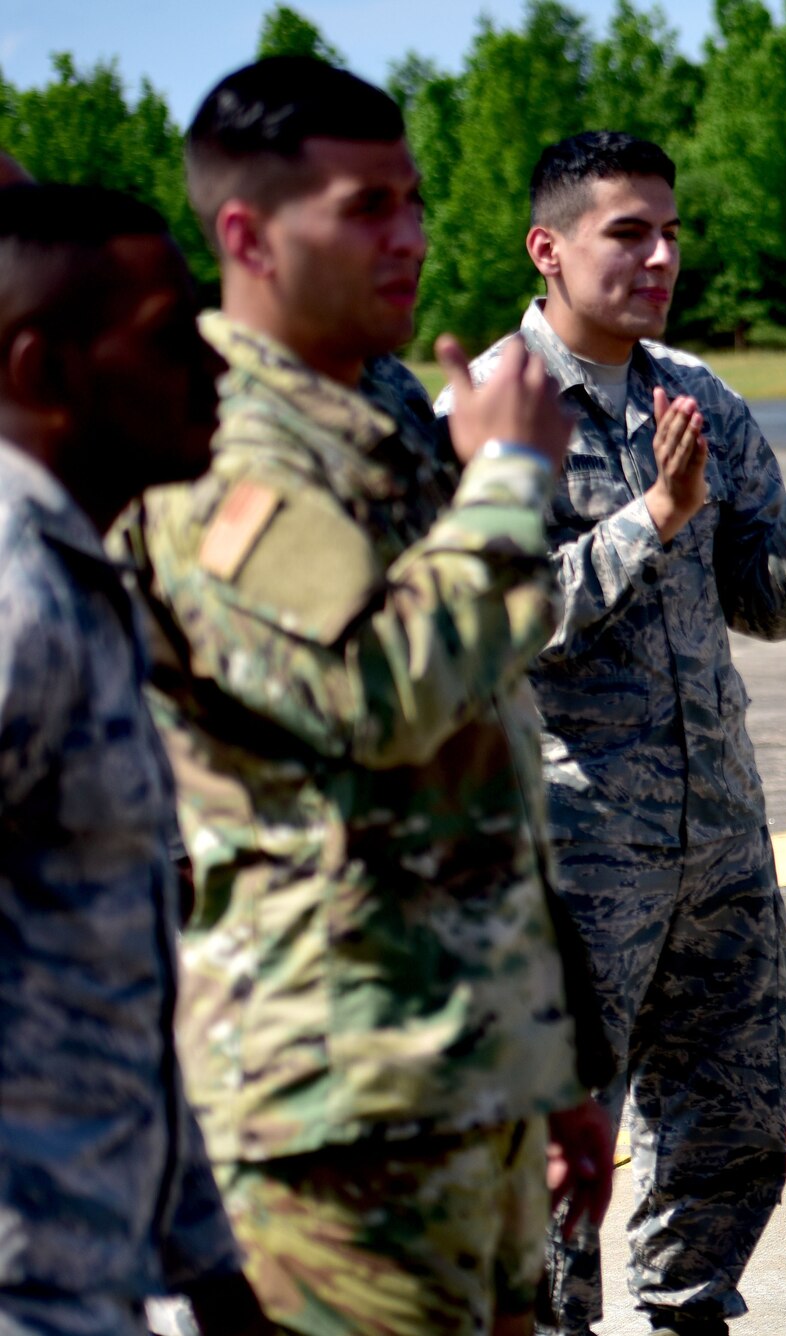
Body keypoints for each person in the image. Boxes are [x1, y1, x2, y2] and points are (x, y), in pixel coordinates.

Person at [110, 58, 615, 1335]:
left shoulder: (374, 424)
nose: (408, 238)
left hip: (466, 1080)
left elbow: (477, 751)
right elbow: (374, 689)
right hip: (337, 1106)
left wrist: (549, 1062)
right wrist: (505, 478)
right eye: (363, 209)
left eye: (413, 201)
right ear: (246, 234)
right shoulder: (213, 443)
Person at [437, 130, 786, 1336]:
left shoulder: (694, 393)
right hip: (567, 847)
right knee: (553, 1141)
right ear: (547, 249)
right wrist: (647, 518)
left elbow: (770, 601)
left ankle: (688, 1310)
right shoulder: (495, 410)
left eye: (672, 231)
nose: (660, 257)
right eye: (627, 234)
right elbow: (482, 621)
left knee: (731, 1117)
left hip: (717, 843)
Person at [0, 183, 269, 1336]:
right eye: (168, 340)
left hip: (92, 1263)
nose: (215, 372)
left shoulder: (77, 575)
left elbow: (107, 977)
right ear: (43, 374)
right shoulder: (16, 600)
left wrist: (209, 1267)